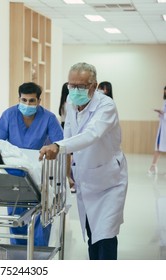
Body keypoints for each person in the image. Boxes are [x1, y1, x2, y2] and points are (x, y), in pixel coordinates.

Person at [38, 62, 128, 260]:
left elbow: (91, 135)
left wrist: (58, 146)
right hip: (85, 180)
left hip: (109, 182)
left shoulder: (106, 106)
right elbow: (69, 135)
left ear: (94, 86)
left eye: (81, 86)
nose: (75, 90)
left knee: (105, 235)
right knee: (91, 234)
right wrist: (67, 172)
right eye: (71, 85)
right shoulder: (71, 104)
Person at [0, 82, 63, 247]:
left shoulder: (49, 118)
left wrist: (65, 176)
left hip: (39, 170)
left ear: (39, 101)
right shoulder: (9, 115)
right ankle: (18, 253)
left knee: (42, 213)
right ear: (18, 98)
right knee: (16, 214)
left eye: (32, 101)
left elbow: (60, 145)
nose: (27, 104)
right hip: (16, 171)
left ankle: (39, 254)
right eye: (24, 100)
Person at [148, 85, 166, 175]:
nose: (164, 92)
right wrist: (161, 113)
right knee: (158, 146)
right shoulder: (165, 101)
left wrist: (163, 113)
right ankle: (153, 166)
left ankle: (153, 166)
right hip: (163, 128)